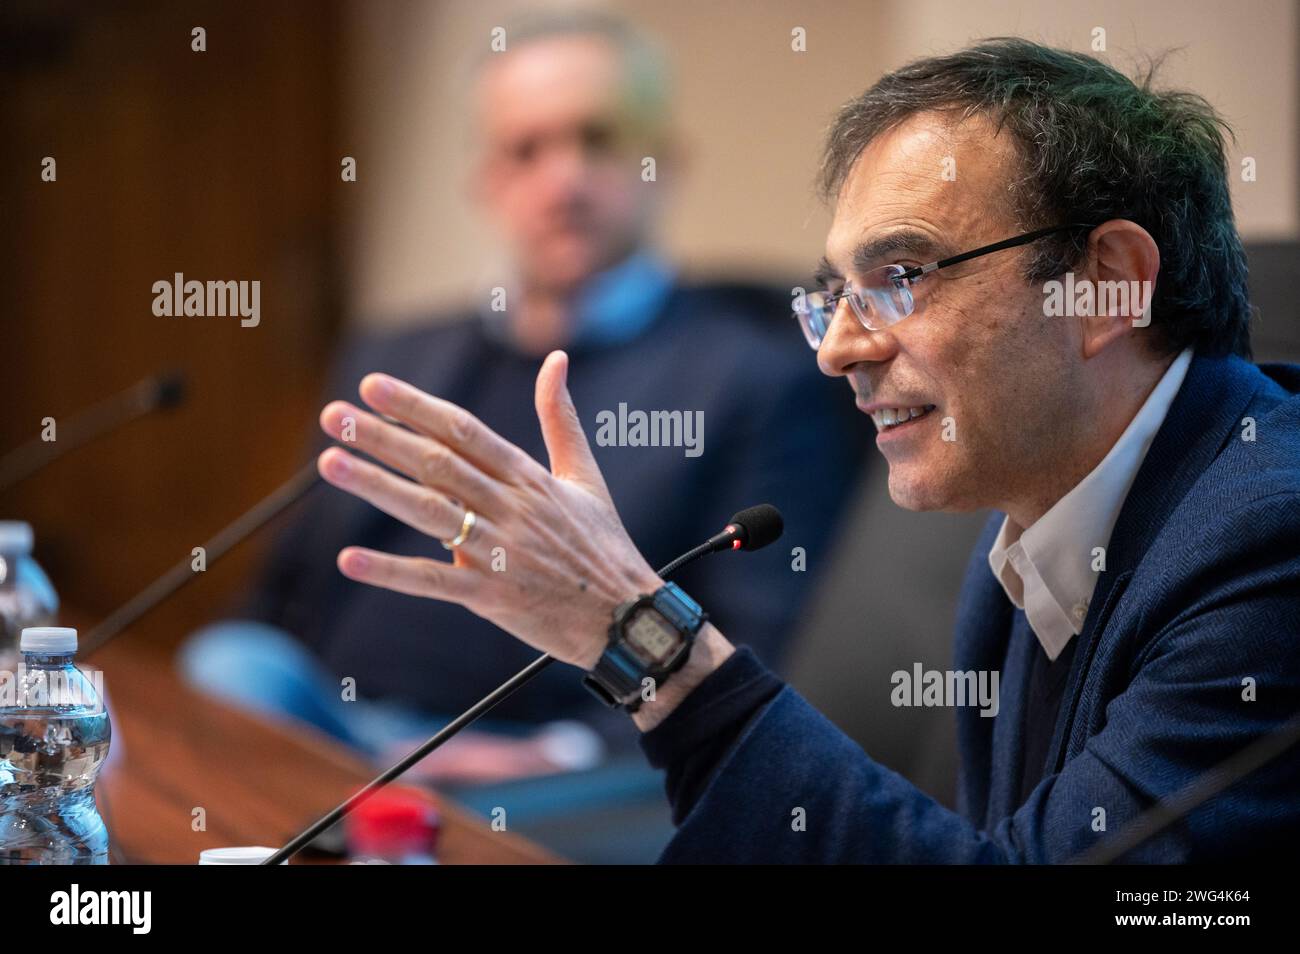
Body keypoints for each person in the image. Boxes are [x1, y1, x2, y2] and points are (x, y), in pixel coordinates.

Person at [310, 38, 1300, 862]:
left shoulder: (1267, 543)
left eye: (902, 275)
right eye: (832, 296)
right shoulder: (1028, 532)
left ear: (1110, 284)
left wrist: (643, 635)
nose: (837, 350)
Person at [179, 10, 866, 794]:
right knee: (228, 665)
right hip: (336, 736)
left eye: (598, 139)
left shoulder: (754, 375)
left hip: (547, 761)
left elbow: (758, 649)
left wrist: (563, 753)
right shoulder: (394, 359)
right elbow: (286, 593)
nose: (565, 179)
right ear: (488, 181)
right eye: (527, 149)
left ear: (663, 164)